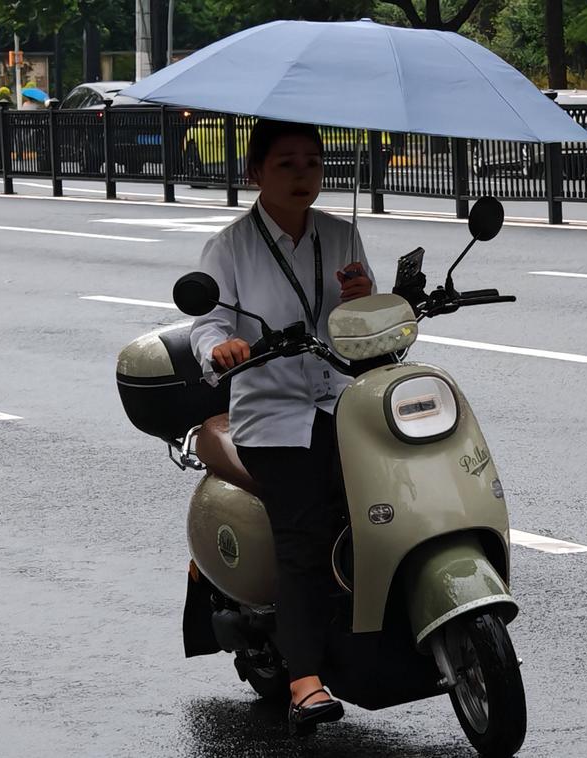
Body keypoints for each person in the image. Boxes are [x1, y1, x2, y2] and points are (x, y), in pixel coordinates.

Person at [189, 119, 375, 734]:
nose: (304, 175)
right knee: (304, 533)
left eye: (313, 163)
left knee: (387, 505)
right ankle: (304, 681)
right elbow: (207, 323)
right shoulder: (231, 246)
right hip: (272, 413)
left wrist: (362, 298)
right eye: (287, 164)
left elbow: (364, 324)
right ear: (255, 174)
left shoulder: (341, 233)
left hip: (341, 400)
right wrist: (222, 348)